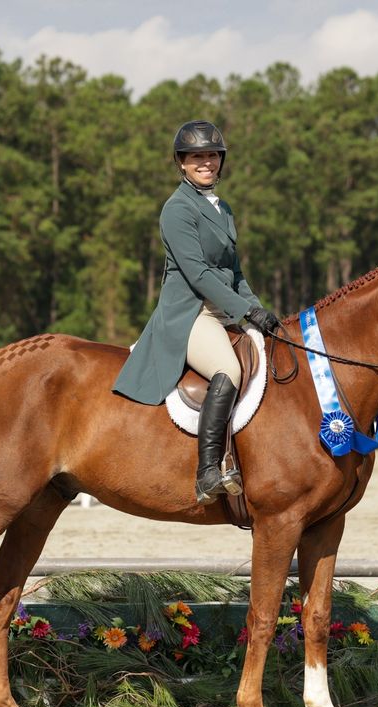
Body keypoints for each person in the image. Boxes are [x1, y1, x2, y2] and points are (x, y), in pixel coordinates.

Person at [113, 120, 280, 504]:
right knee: (230, 369)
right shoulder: (177, 209)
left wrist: (258, 311)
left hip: (224, 309)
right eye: (196, 157)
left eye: (211, 155)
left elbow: (234, 273)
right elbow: (199, 274)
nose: (205, 162)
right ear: (182, 164)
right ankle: (208, 472)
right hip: (191, 313)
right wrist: (244, 311)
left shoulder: (223, 208)